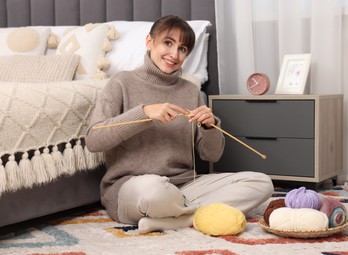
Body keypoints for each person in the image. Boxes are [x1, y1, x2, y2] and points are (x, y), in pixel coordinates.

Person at [85, 15, 274, 233]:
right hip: (133, 187)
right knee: (154, 190)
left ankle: (177, 220)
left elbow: (211, 156)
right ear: (149, 42)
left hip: (185, 186)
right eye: (168, 43)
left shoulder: (190, 90)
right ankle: (189, 214)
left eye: (183, 49)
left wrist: (210, 127)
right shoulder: (120, 82)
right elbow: (94, 139)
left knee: (261, 183)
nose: (174, 54)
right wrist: (144, 113)